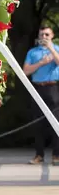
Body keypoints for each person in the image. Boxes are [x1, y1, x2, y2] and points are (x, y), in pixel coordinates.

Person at [23, 26, 59, 165]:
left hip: (53, 88)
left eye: (47, 34)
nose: (44, 37)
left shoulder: (56, 48)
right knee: (38, 122)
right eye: (41, 35)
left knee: (55, 121)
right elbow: (26, 71)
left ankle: (56, 155)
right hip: (38, 88)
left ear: (52, 36)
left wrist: (51, 49)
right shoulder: (33, 52)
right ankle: (39, 155)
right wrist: (41, 63)